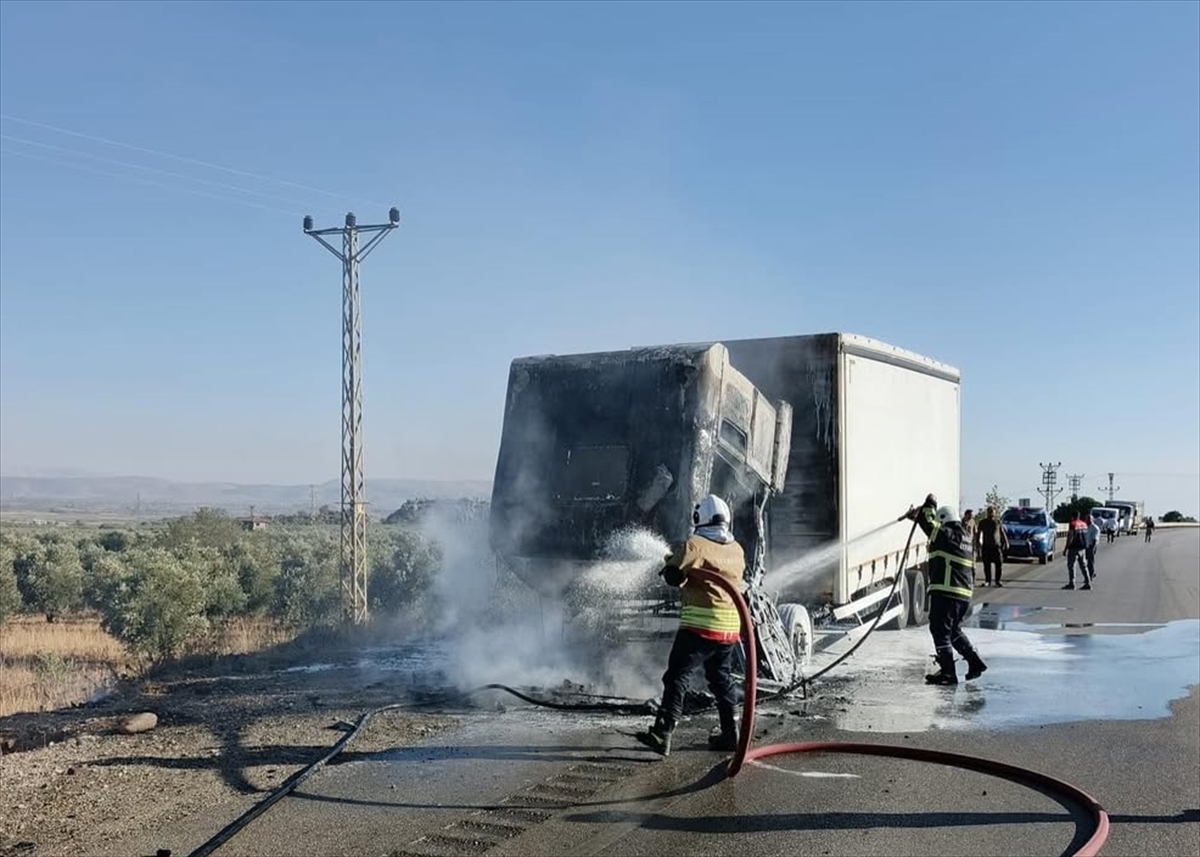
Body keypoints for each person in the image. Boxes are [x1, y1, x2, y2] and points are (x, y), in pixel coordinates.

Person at [637, 493, 746, 757]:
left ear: (699, 517)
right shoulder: (737, 549)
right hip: (730, 628)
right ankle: (731, 735)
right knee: (721, 680)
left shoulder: (695, 545)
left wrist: (671, 565)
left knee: (677, 676)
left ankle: (662, 733)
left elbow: (673, 576)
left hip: (700, 626)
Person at [906, 494, 986, 685]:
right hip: (963, 595)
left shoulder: (946, 534)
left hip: (947, 592)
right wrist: (916, 517)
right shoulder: (965, 536)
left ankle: (948, 673)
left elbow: (928, 521)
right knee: (952, 630)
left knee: (939, 629)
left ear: (943, 520)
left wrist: (930, 503)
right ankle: (975, 661)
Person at [973, 506, 1009, 587]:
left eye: (992, 512)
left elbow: (1002, 532)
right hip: (986, 546)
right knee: (986, 565)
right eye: (990, 512)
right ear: (987, 513)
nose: (991, 513)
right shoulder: (983, 522)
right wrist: (977, 544)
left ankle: (998, 580)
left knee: (999, 564)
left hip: (996, 546)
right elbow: (978, 533)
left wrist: (1006, 542)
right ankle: (987, 581)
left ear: (995, 513)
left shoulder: (997, 522)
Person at [1064, 511, 1092, 590]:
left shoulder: (1073, 524)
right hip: (1082, 548)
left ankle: (1072, 583)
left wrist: (1066, 548)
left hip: (1074, 548)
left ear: (1072, 516)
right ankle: (1088, 582)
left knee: (1071, 566)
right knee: (1083, 566)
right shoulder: (1084, 524)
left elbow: (1070, 537)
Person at [1085, 513, 1101, 580]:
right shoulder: (1086, 527)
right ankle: (1091, 573)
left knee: (1090, 561)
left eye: (1089, 519)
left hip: (1091, 546)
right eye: (1087, 519)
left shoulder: (1095, 528)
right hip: (1086, 546)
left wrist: (1092, 549)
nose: (1088, 520)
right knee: (1087, 561)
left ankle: (1090, 574)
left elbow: (1095, 539)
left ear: (1092, 520)